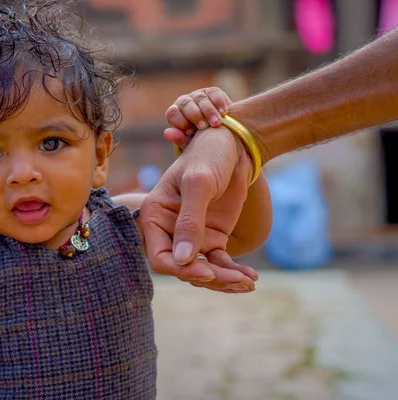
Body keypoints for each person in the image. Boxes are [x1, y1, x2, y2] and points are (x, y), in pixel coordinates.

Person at [0, 3, 271, 399]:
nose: (23, 173)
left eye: (51, 142)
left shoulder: (128, 222)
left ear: (99, 156)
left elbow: (238, 232)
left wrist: (231, 148)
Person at [141, 27, 398, 292]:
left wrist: (234, 154)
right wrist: (237, 137)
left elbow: (242, 234)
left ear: (104, 150)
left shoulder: (112, 219)